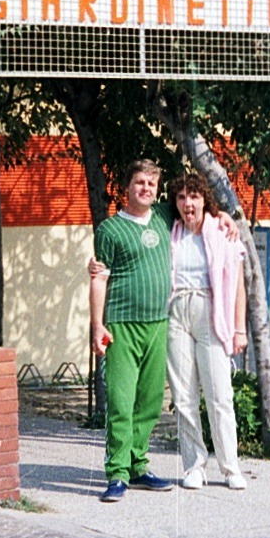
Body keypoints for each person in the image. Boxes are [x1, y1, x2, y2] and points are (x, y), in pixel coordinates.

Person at [89, 160, 177, 502]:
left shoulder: (163, 217)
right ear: (127, 187)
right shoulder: (110, 230)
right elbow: (99, 278)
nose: (146, 189)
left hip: (159, 322)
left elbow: (201, 210)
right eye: (140, 182)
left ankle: (138, 466)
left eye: (152, 184)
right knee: (121, 402)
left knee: (151, 401)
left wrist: (228, 224)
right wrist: (97, 326)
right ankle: (117, 474)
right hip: (122, 325)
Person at [166, 172, 249, 490]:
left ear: (205, 200)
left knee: (219, 395)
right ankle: (194, 466)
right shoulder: (171, 231)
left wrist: (239, 329)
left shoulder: (222, 231)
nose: (188, 203)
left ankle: (230, 468)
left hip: (211, 313)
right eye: (182, 197)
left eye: (195, 197)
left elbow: (238, 284)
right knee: (183, 395)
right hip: (177, 314)